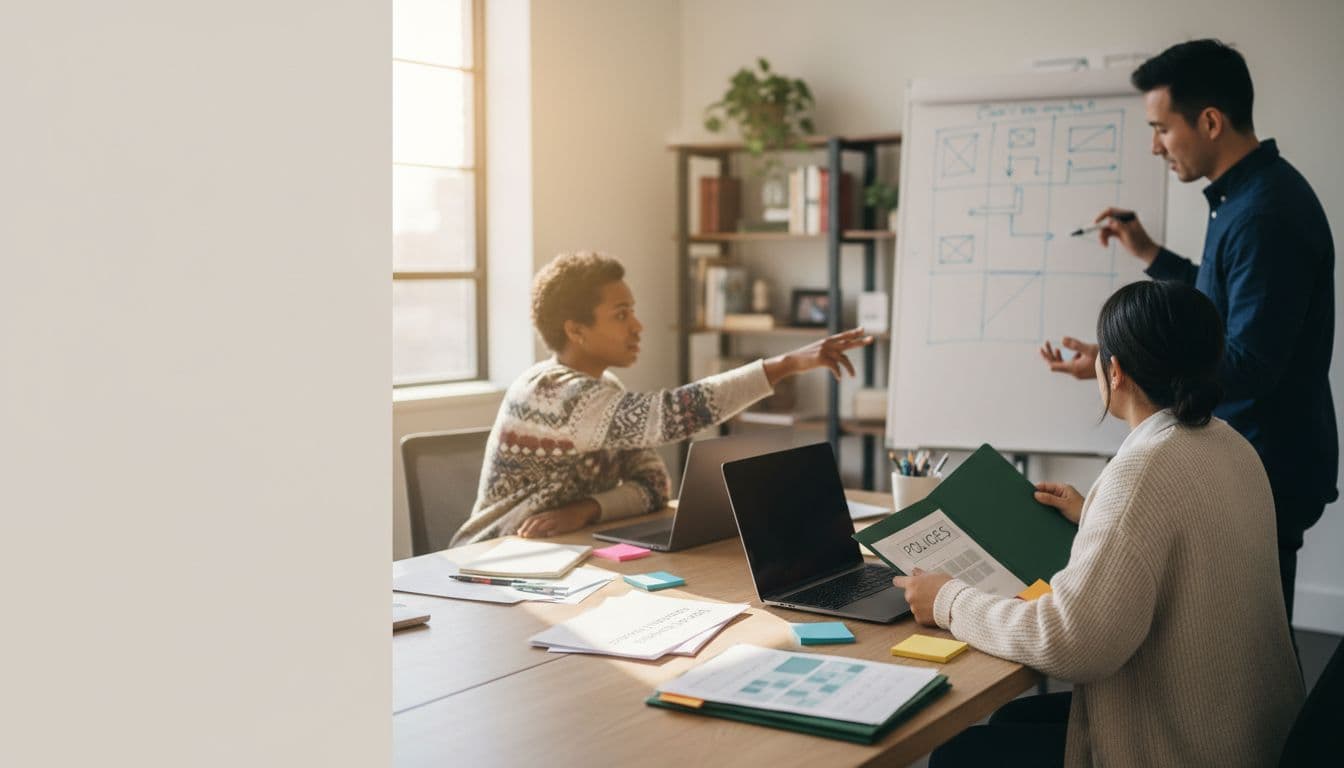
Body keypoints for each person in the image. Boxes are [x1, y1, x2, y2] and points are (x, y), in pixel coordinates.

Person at [900, 281, 1304, 767]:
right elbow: (1187, 531)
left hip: (1184, 748)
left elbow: (1071, 642)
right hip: (1251, 733)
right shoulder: (1232, 445)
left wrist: (947, 599)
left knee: (959, 755)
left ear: (1114, 372)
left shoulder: (1141, 470)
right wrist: (1093, 510)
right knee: (1013, 722)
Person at [1040, 39, 1336, 623]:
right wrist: (1148, 254)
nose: (1155, 147)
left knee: (1251, 649)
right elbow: (1220, 300)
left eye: (1161, 129)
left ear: (1209, 121)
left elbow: (1250, 359)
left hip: (1267, 463)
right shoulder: (1244, 199)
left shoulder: (1263, 214)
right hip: (1258, 453)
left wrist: (1131, 358)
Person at [450, 251, 871, 546]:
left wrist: (586, 509)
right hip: (491, 559)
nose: (638, 326)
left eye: (632, 310)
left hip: (562, 549)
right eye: (621, 315)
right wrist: (786, 365)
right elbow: (671, 416)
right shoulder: (553, 394)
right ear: (575, 330)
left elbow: (653, 486)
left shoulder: (604, 392)